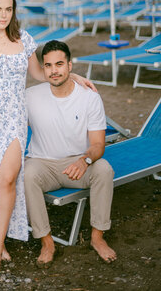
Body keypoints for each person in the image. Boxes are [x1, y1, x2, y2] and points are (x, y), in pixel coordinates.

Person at [0, 0, 96, 280]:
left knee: (7, 179)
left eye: (8, 9)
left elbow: (40, 74)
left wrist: (73, 74)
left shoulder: (24, 39)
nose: (4, 15)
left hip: (13, 121)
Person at [24, 40, 116, 266]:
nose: (54, 71)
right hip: (43, 164)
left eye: (59, 64)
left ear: (70, 66)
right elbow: (0, 103)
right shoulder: (30, 95)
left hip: (77, 164)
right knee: (26, 174)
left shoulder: (89, 97)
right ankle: (47, 241)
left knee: (104, 169)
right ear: (43, 69)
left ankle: (97, 237)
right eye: (48, 66)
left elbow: (97, 145)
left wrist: (84, 161)